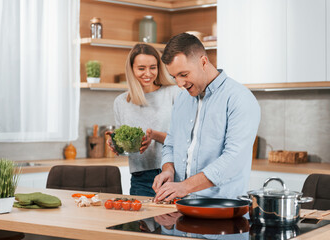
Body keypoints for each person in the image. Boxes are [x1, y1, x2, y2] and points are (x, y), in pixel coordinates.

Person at [152, 33, 261, 202]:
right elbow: (171, 143)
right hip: (181, 206)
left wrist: (185, 186)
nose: (180, 84)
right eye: (175, 77)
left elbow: (233, 160)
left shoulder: (239, 98)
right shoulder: (182, 99)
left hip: (223, 209)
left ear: (203, 62)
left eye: (184, 74)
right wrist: (168, 170)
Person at [108, 43, 181, 197]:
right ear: (132, 69)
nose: (147, 73)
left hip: (174, 175)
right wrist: (116, 144)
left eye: (152, 67)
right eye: (141, 68)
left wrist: (154, 136)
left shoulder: (174, 93)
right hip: (140, 177)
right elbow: (127, 149)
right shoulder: (121, 102)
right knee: (141, 221)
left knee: (175, 221)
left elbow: (185, 141)